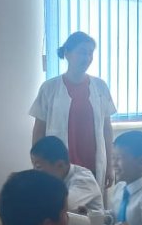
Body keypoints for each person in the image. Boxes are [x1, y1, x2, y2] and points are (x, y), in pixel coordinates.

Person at [29, 31, 116, 190]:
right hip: (58, 167)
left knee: (92, 205)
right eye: (82, 52)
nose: (87, 57)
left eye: (90, 53)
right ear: (67, 53)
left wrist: (110, 165)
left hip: (93, 167)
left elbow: (106, 129)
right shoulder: (49, 88)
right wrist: (38, 165)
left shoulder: (100, 87)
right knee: (59, 203)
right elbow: (39, 131)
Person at [31, 135, 103, 213]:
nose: (35, 171)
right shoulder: (55, 180)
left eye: (38, 166)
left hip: (92, 221)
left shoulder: (84, 180)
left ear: (60, 165)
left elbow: (62, 206)